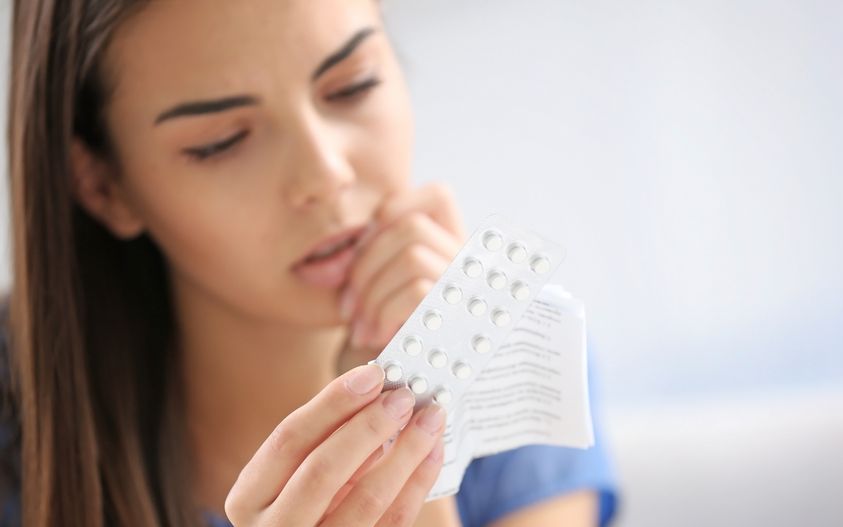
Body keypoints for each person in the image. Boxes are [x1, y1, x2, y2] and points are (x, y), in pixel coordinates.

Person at [1, 0, 618, 525]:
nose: (326, 175)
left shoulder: (518, 353)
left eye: (353, 85)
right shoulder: (15, 418)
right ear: (103, 186)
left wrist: (423, 430)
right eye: (221, 142)